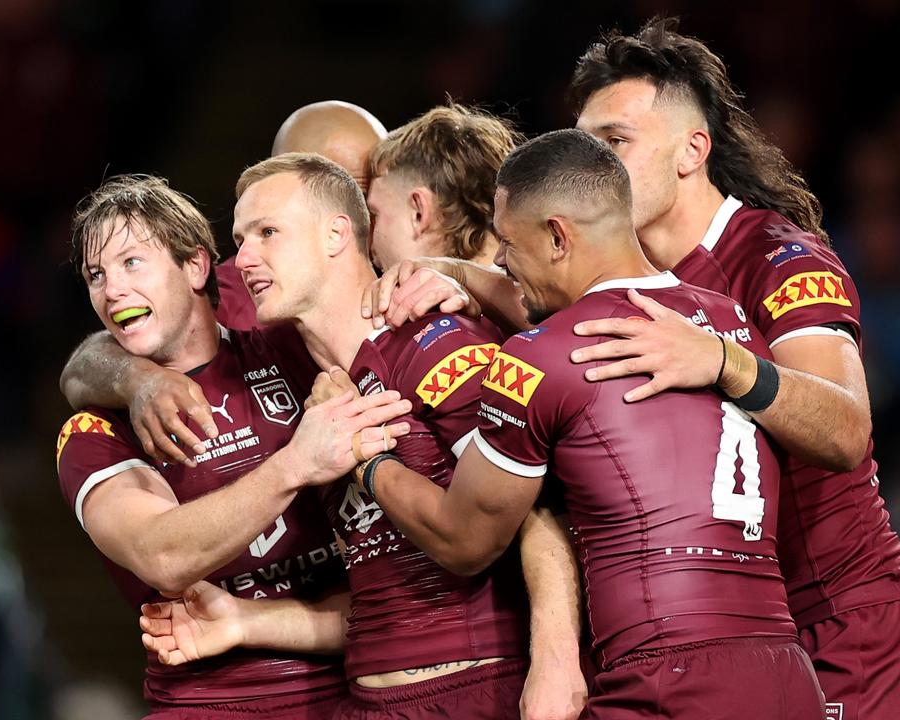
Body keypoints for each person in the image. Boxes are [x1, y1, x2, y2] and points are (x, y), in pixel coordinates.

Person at [367, 19, 900, 720]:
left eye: (616, 142)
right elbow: (561, 324)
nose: (598, 161)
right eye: (587, 144)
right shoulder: (625, 275)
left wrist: (724, 362)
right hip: (737, 637)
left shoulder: (777, 259)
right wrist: (452, 273)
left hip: (848, 625)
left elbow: (846, 428)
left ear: (691, 150)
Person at [353, 129, 823, 718]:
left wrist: (369, 462)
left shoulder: (540, 358)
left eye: (507, 243)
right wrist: (456, 272)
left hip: (665, 683)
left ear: (557, 236)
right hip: (784, 669)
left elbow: (464, 538)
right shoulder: (726, 319)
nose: (499, 260)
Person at [143, 152, 587, 720]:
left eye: (267, 233)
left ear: (336, 234)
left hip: (473, 689)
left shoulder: (433, 340)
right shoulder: (306, 376)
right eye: (240, 239)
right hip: (367, 696)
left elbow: (537, 505)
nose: (245, 258)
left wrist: (556, 661)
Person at [55, 174, 412, 718]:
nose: (112, 290)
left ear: (197, 266)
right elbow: (164, 555)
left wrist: (451, 277)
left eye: (132, 263)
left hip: (357, 686)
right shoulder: (93, 432)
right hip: (208, 703)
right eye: (95, 275)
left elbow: (395, 594)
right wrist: (296, 462)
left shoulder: (291, 350)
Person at [216, 101, 388, 330]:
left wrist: (451, 273)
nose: (362, 219)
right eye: (334, 189)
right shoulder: (217, 308)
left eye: (367, 202)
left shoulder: (412, 282)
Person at [366, 103, 517, 271]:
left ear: (419, 212)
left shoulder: (528, 296)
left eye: (375, 215)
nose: (370, 242)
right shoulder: (529, 288)